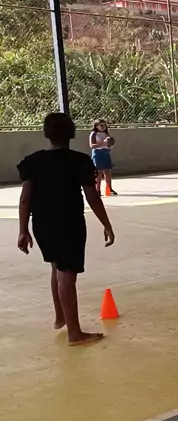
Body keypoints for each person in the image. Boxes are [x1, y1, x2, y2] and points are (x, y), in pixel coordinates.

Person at [17, 113, 115, 346]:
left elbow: (25, 198)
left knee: (56, 267)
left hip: (42, 223)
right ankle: (75, 333)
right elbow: (92, 197)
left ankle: (60, 317)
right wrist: (106, 224)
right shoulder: (79, 161)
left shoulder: (32, 161)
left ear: (46, 134)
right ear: (71, 133)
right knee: (67, 273)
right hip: (69, 223)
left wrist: (23, 230)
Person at [90, 119, 117, 196]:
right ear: (96, 126)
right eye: (101, 125)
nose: (103, 127)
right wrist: (102, 144)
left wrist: (110, 143)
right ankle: (98, 189)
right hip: (98, 153)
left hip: (106, 152)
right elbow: (92, 145)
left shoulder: (106, 133)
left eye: (104, 125)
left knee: (107, 172)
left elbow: (109, 144)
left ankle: (109, 188)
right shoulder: (94, 134)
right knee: (99, 172)